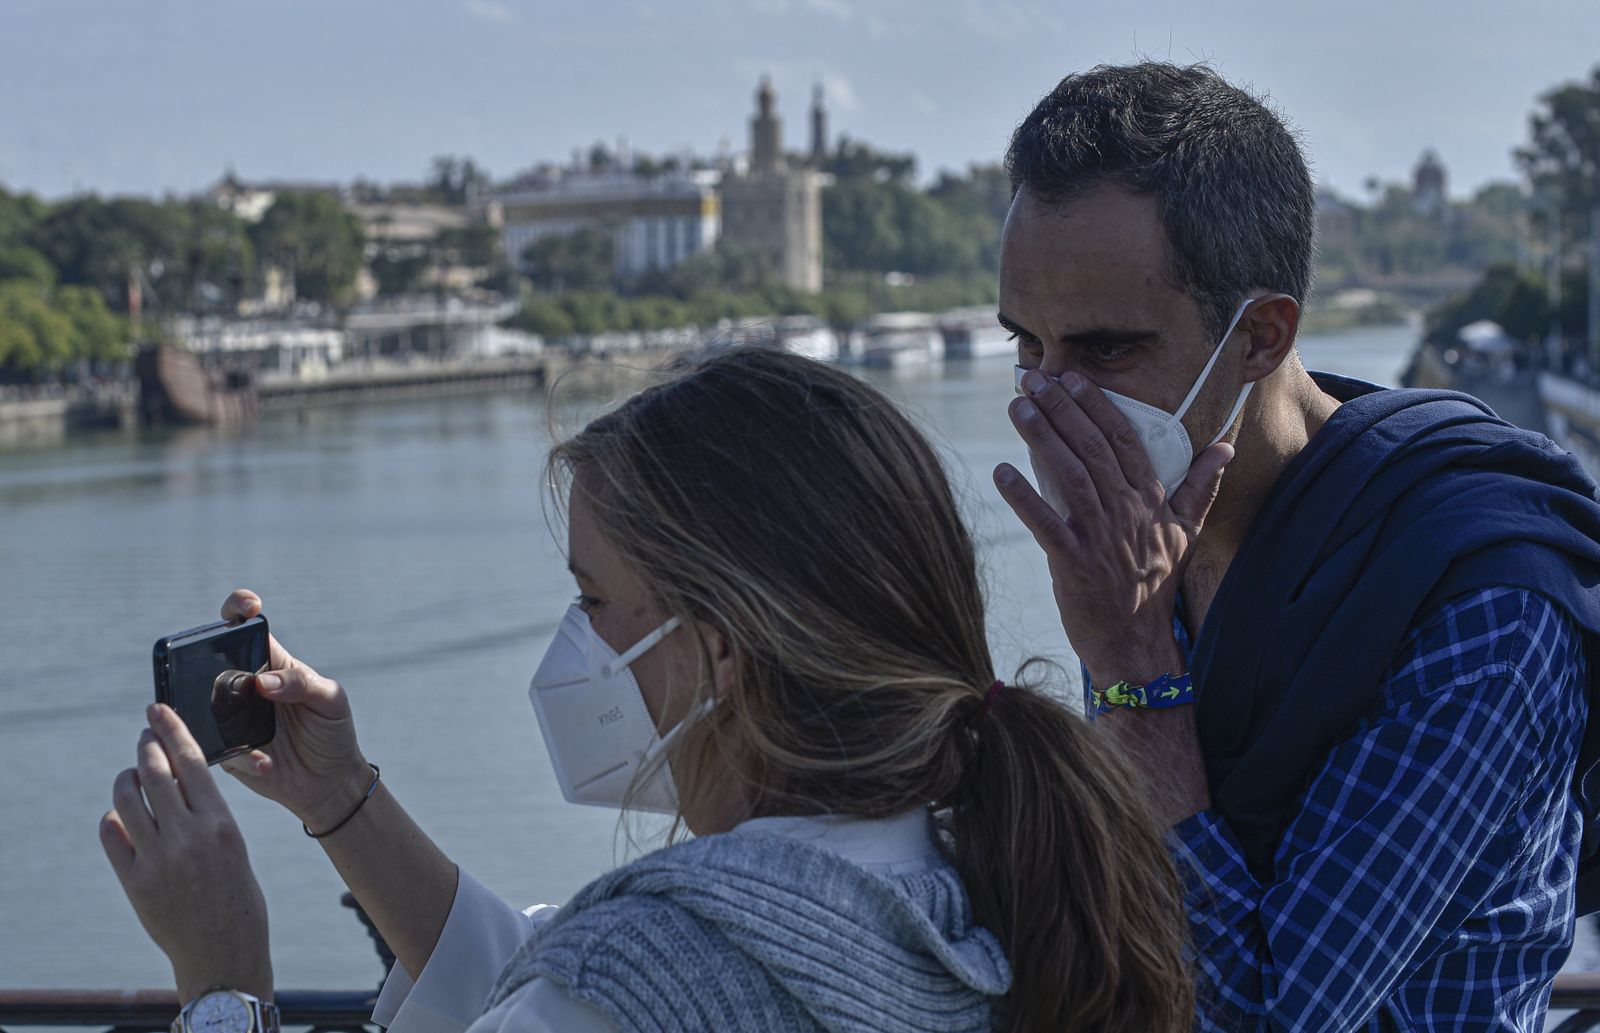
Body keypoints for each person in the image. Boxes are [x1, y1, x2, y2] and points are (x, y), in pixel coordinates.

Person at [99, 349, 1196, 1033]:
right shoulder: (997, 882)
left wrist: (223, 982)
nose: (575, 638)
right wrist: (343, 804)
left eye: (594, 597)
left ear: (716, 651)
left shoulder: (637, 977)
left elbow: (589, 990)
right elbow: (539, 973)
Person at [991, 61, 1600, 1030]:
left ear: (1262, 335)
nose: (1049, 402)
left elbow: (1275, 1017)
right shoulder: (1151, 528)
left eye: (1106, 351)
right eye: (1027, 345)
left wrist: (1133, 668)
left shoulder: (1480, 601)